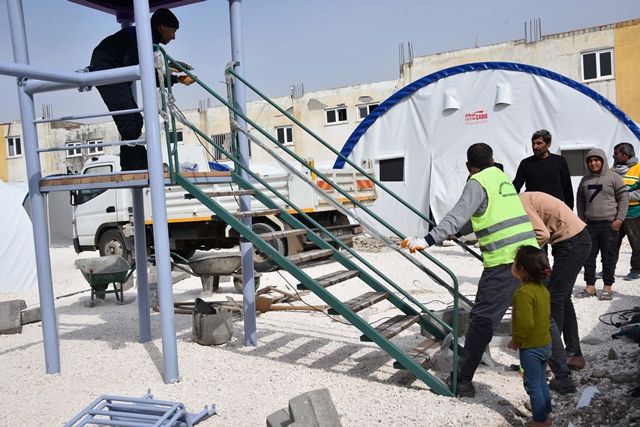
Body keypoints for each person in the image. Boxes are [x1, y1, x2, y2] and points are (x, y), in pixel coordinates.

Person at [401, 143, 539, 397]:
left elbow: (457, 215)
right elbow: (485, 213)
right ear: (493, 159)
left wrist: (427, 240)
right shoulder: (502, 178)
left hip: (505, 262)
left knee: (482, 321)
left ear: (468, 167)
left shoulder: (477, 182)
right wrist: (458, 232)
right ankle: (562, 376)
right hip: (532, 256)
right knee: (540, 315)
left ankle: (462, 380)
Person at [89, 8, 193, 171]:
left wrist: (175, 78)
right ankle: (139, 164)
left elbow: (147, 72)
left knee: (133, 120)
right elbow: (135, 65)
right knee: (130, 121)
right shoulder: (144, 37)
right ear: (162, 27)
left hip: (111, 66)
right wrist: (166, 68)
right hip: (106, 67)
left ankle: (133, 164)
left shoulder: (149, 39)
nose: (173, 37)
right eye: (173, 31)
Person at [520, 191, 591, 376]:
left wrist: (523, 257)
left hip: (572, 242)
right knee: (563, 298)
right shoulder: (524, 198)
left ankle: (550, 357)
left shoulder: (519, 203)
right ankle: (574, 354)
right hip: (574, 240)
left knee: (553, 299)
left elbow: (541, 234)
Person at [508, 245, 553, 427]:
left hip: (531, 348)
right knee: (541, 381)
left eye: (514, 262)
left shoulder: (523, 293)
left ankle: (540, 420)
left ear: (521, 269)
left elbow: (525, 324)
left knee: (532, 384)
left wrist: (516, 341)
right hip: (545, 343)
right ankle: (546, 412)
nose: (512, 265)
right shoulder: (543, 290)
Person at [575, 148, 628, 301]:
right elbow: (580, 199)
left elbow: (623, 199)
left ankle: (607, 287)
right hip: (590, 225)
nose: (593, 163)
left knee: (608, 257)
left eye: (596, 160)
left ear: (603, 160)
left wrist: (619, 219)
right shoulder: (585, 180)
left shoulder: (614, 178)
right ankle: (590, 287)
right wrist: (581, 218)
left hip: (609, 225)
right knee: (588, 257)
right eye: (590, 161)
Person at [513, 129, 574, 210]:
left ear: (548, 145)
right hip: (534, 208)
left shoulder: (559, 161)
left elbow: (567, 187)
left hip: (555, 208)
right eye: (533, 143)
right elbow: (515, 186)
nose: (535, 147)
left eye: (539, 143)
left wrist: (569, 209)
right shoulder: (526, 163)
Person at [611, 142, 640, 281]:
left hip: (633, 213)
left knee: (636, 243)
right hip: (615, 214)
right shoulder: (612, 170)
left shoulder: (638, 168)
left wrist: (623, 196)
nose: (613, 156)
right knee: (611, 243)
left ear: (626, 155)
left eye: (616, 153)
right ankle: (608, 269)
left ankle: (636, 270)